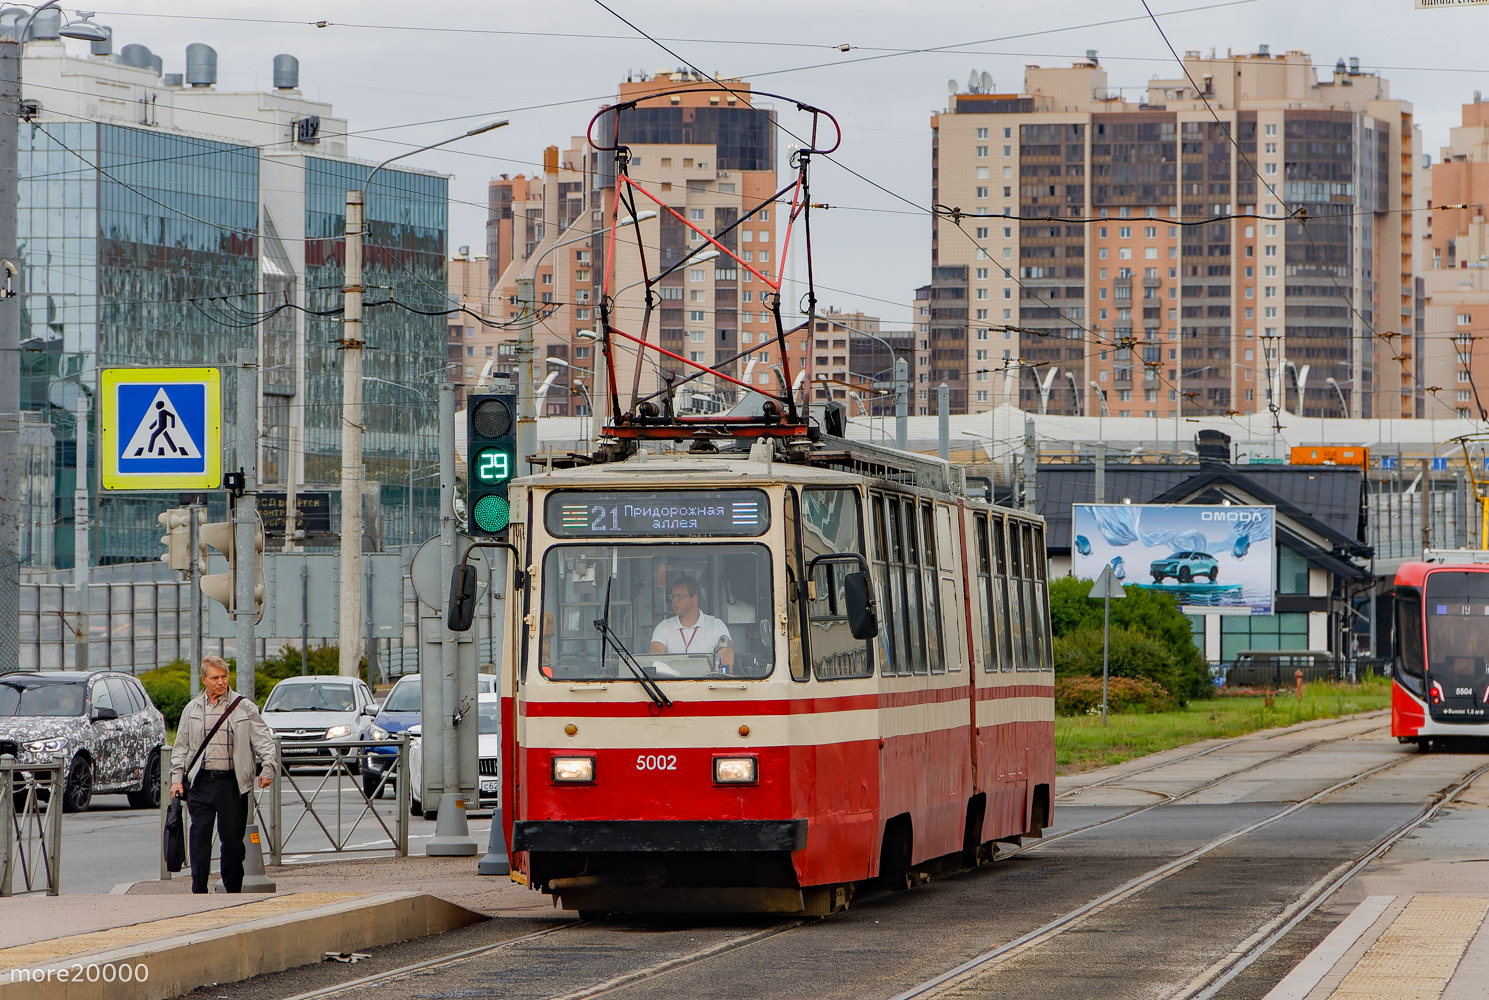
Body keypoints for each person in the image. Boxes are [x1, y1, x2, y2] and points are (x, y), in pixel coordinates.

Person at [168, 656, 278, 894]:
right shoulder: (192, 709)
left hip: (232, 784)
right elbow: (181, 747)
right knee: (199, 839)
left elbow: (263, 740)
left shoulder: (243, 706)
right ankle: (199, 889)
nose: (221, 682)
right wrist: (177, 779)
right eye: (215, 678)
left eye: (224, 677)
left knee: (232, 844)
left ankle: (233, 890)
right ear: (204, 679)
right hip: (200, 783)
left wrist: (268, 767)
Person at [650, 576, 733, 667]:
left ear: (694, 598)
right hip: (674, 680)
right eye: (673, 596)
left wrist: (725, 674)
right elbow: (656, 653)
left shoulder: (716, 625)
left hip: (708, 680)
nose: (674, 600)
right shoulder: (664, 626)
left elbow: (726, 652)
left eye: (679, 596)